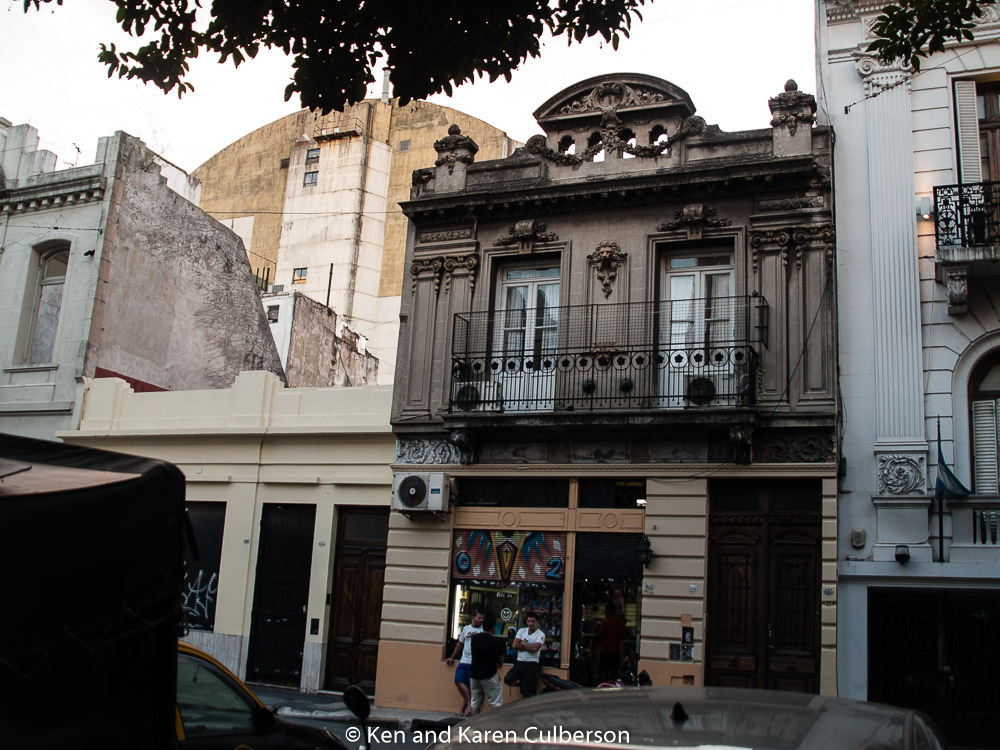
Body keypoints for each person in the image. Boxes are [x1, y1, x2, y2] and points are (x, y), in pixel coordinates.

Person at [446, 609, 483, 716]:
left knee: (470, 686)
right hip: (464, 660)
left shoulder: (483, 630)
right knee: (458, 680)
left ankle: (464, 708)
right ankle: (469, 703)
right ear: (473, 618)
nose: (481, 620)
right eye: (479, 618)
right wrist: (452, 657)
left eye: (482, 618)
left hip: (475, 662)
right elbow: (460, 644)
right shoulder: (466, 629)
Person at [468, 612, 506, 713]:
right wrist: (497, 662)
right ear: (493, 627)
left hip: (474, 674)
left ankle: (474, 722)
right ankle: (494, 723)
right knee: (496, 704)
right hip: (490, 674)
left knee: (475, 703)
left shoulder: (474, 639)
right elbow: (501, 660)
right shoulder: (497, 641)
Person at [511, 612, 545, 697]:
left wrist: (524, 644)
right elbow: (514, 645)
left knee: (528, 691)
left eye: (533, 621)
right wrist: (529, 647)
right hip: (520, 661)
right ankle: (522, 683)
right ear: (526, 622)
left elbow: (535, 648)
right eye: (529, 621)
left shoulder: (540, 634)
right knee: (509, 679)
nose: (530, 623)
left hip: (532, 663)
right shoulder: (521, 631)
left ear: (537, 622)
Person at [596, 603, 626, 681]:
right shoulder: (620, 623)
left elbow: (599, 635)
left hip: (605, 651)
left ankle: (604, 685)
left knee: (603, 672)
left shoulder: (604, 622)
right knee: (614, 674)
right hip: (616, 652)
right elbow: (622, 637)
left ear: (608, 611)